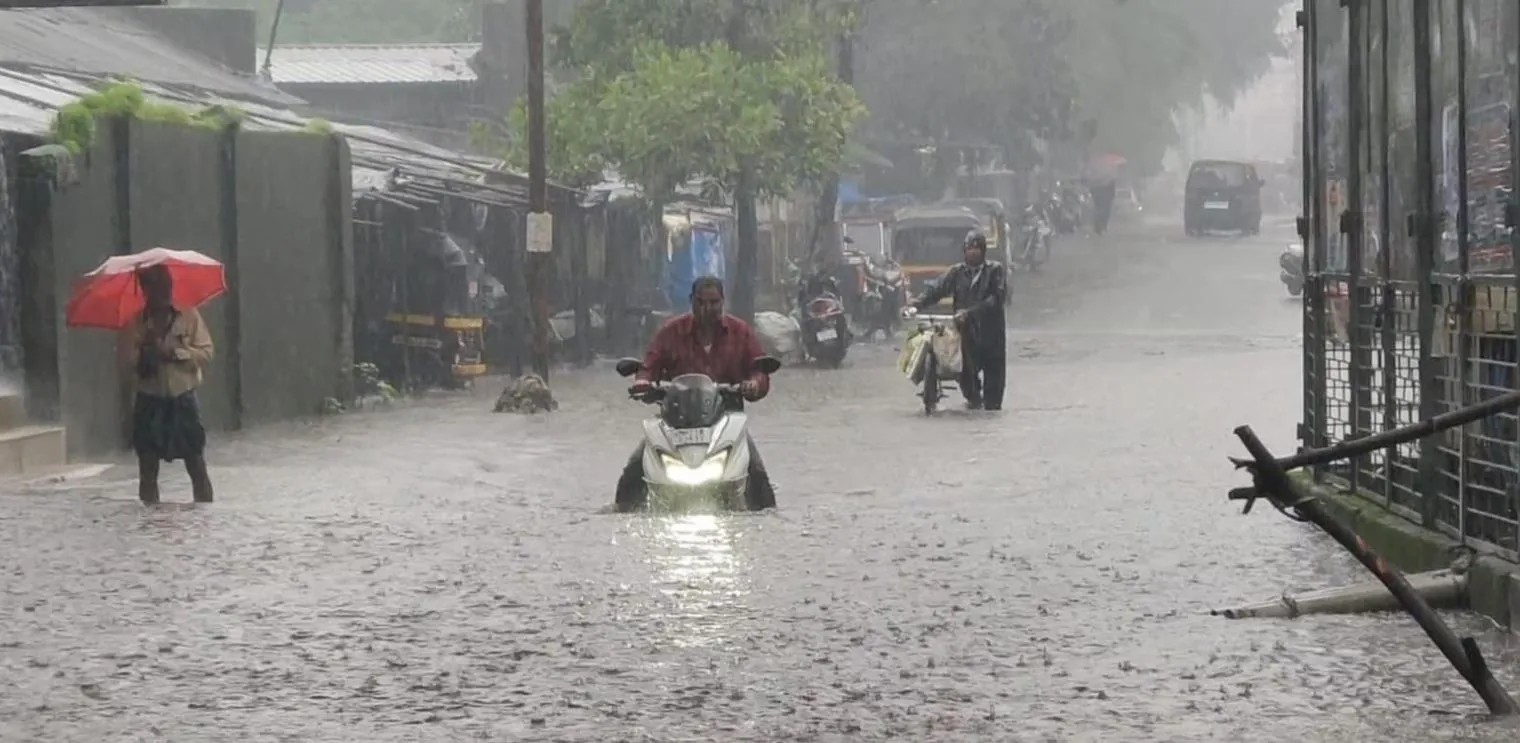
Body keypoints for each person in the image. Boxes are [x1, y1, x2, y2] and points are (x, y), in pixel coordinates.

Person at [617, 276, 776, 511]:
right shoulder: (670, 332)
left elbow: (759, 370)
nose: (707, 309)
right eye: (701, 302)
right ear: (691, 301)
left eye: (713, 303)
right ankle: (619, 513)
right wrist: (643, 383)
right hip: (675, 421)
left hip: (726, 421)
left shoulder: (740, 332)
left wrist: (753, 384)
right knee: (633, 470)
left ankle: (769, 518)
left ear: (723, 302)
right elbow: (649, 366)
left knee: (758, 475)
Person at [117, 264, 214, 504]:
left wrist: (175, 352)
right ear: (146, 290)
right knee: (148, 470)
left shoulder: (189, 315)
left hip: (183, 399)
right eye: (157, 287)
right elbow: (126, 363)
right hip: (150, 402)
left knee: (196, 464)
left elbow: (207, 352)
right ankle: (150, 523)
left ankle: (206, 521)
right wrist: (145, 351)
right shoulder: (135, 324)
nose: (164, 293)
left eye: (167, 286)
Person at [904, 230, 1008, 410]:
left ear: (983, 251)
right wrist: (916, 305)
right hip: (966, 336)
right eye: (970, 248)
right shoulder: (957, 272)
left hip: (992, 337)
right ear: (964, 251)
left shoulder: (995, 271)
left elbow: (996, 299)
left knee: (994, 399)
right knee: (969, 385)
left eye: (977, 249)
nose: (973, 252)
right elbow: (936, 290)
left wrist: (970, 312)